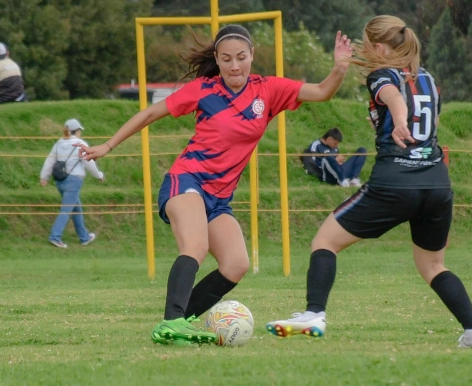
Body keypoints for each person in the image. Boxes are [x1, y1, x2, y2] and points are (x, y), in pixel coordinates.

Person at [76, 24, 352, 345]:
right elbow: (150, 113)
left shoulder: (268, 89)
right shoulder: (203, 90)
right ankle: (171, 322)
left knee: (236, 264)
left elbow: (322, 92)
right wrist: (108, 145)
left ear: (252, 56)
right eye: (227, 59)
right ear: (217, 60)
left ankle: (182, 322)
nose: (234, 65)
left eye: (241, 57)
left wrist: (339, 68)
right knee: (195, 246)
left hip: (218, 199)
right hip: (186, 181)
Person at [266, 15, 472, 349]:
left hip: (395, 182)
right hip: (436, 184)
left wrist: (398, 120)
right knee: (433, 265)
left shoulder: (382, 75)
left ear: (381, 47)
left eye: (368, 44)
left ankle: (314, 314)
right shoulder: (428, 78)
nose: (365, 50)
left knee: (325, 241)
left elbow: (394, 97)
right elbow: (427, 121)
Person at [40, 119, 102, 248]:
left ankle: (84, 237)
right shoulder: (80, 144)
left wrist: (44, 176)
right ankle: (55, 237)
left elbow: (50, 161)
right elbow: (88, 162)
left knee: (76, 208)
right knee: (66, 210)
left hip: (59, 181)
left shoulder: (59, 144)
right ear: (77, 131)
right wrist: (99, 175)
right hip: (73, 181)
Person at [302, 127, 367, 187]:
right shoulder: (316, 145)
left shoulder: (334, 148)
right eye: (335, 143)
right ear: (329, 139)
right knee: (328, 156)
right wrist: (335, 160)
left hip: (339, 171)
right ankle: (342, 181)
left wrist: (340, 161)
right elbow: (313, 165)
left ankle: (354, 179)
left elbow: (336, 162)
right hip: (327, 174)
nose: (336, 146)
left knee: (362, 150)